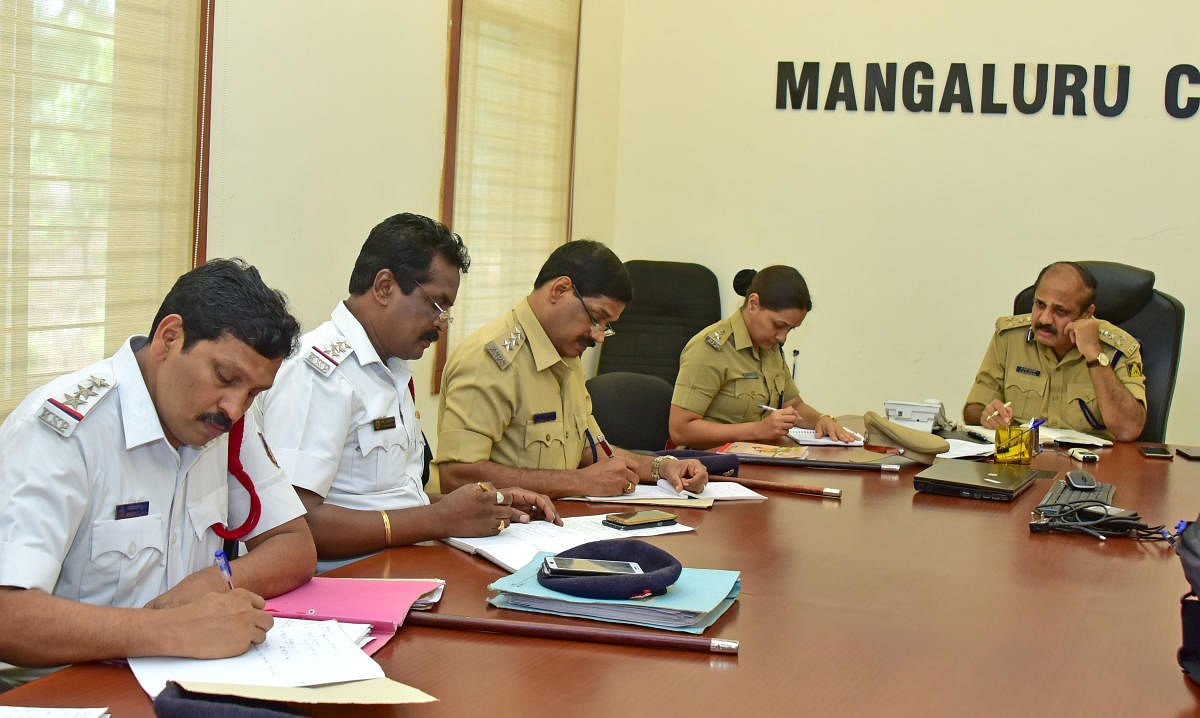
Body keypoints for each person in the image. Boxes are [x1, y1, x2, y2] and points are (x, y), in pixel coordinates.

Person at [0, 259, 316, 680]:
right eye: (224, 376)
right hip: (69, 692)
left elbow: (294, 545)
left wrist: (212, 582)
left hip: (187, 680)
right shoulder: (65, 431)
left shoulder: (224, 421)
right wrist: (171, 629)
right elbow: (9, 615)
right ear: (170, 338)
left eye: (254, 392)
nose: (235, 408)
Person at [256, 213, 559, 569]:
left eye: (447, 311)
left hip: (402, 570)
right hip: (343, 592)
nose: (440, 324)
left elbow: (388, 503)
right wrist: (438, 518)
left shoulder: (390, 368)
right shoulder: (319, 373)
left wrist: (488, 507)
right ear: (384, 287)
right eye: (436, 305)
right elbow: (294, 526)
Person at [436, 240, 708, 498]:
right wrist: (579, 482)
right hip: (504, 535)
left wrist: (661, 467)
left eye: (606, 326)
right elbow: (457, 477)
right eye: (596, 319)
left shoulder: (565, 355)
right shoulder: (489, 361)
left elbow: (588, 449)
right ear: (560, 290)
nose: (599, 336)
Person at [669, 266, 859, 449]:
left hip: (760, 457)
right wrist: (757, 430)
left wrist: (822, 420)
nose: (782, 337)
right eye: (778, 325)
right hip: (710, 465)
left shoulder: (769, 347)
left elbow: (794, 404)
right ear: (753, 304)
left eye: (790, 329)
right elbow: (681, 430)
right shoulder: (710, 349)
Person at [963, 261, 1146, 441]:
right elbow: (972, 409)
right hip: (1021, 460)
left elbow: (1128, 430)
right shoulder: (1009, 338)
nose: (1044, 319)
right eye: (1040, 305)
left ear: (1086, 314)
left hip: (1091, 465)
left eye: (1060, 311)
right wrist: (986, 415)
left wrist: (1094, 355)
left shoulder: (1119, 349)